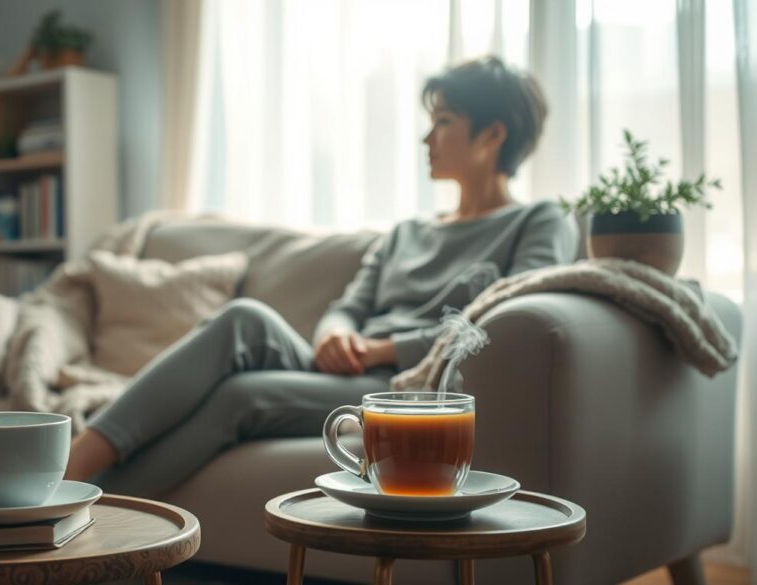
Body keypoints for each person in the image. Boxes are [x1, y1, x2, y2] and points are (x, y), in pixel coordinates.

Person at [64, 56, 578, 495]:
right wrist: (336, 332)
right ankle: (69, 469)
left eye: (443, 121)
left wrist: (378, 351)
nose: (427, 137)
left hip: (400, 387)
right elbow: (350, 303)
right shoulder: (406, 232)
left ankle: (100, 508)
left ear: (492, 135)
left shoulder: (538, 221)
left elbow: (493, 328)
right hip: (346, 364)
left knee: (242, 395)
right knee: (244, 318)